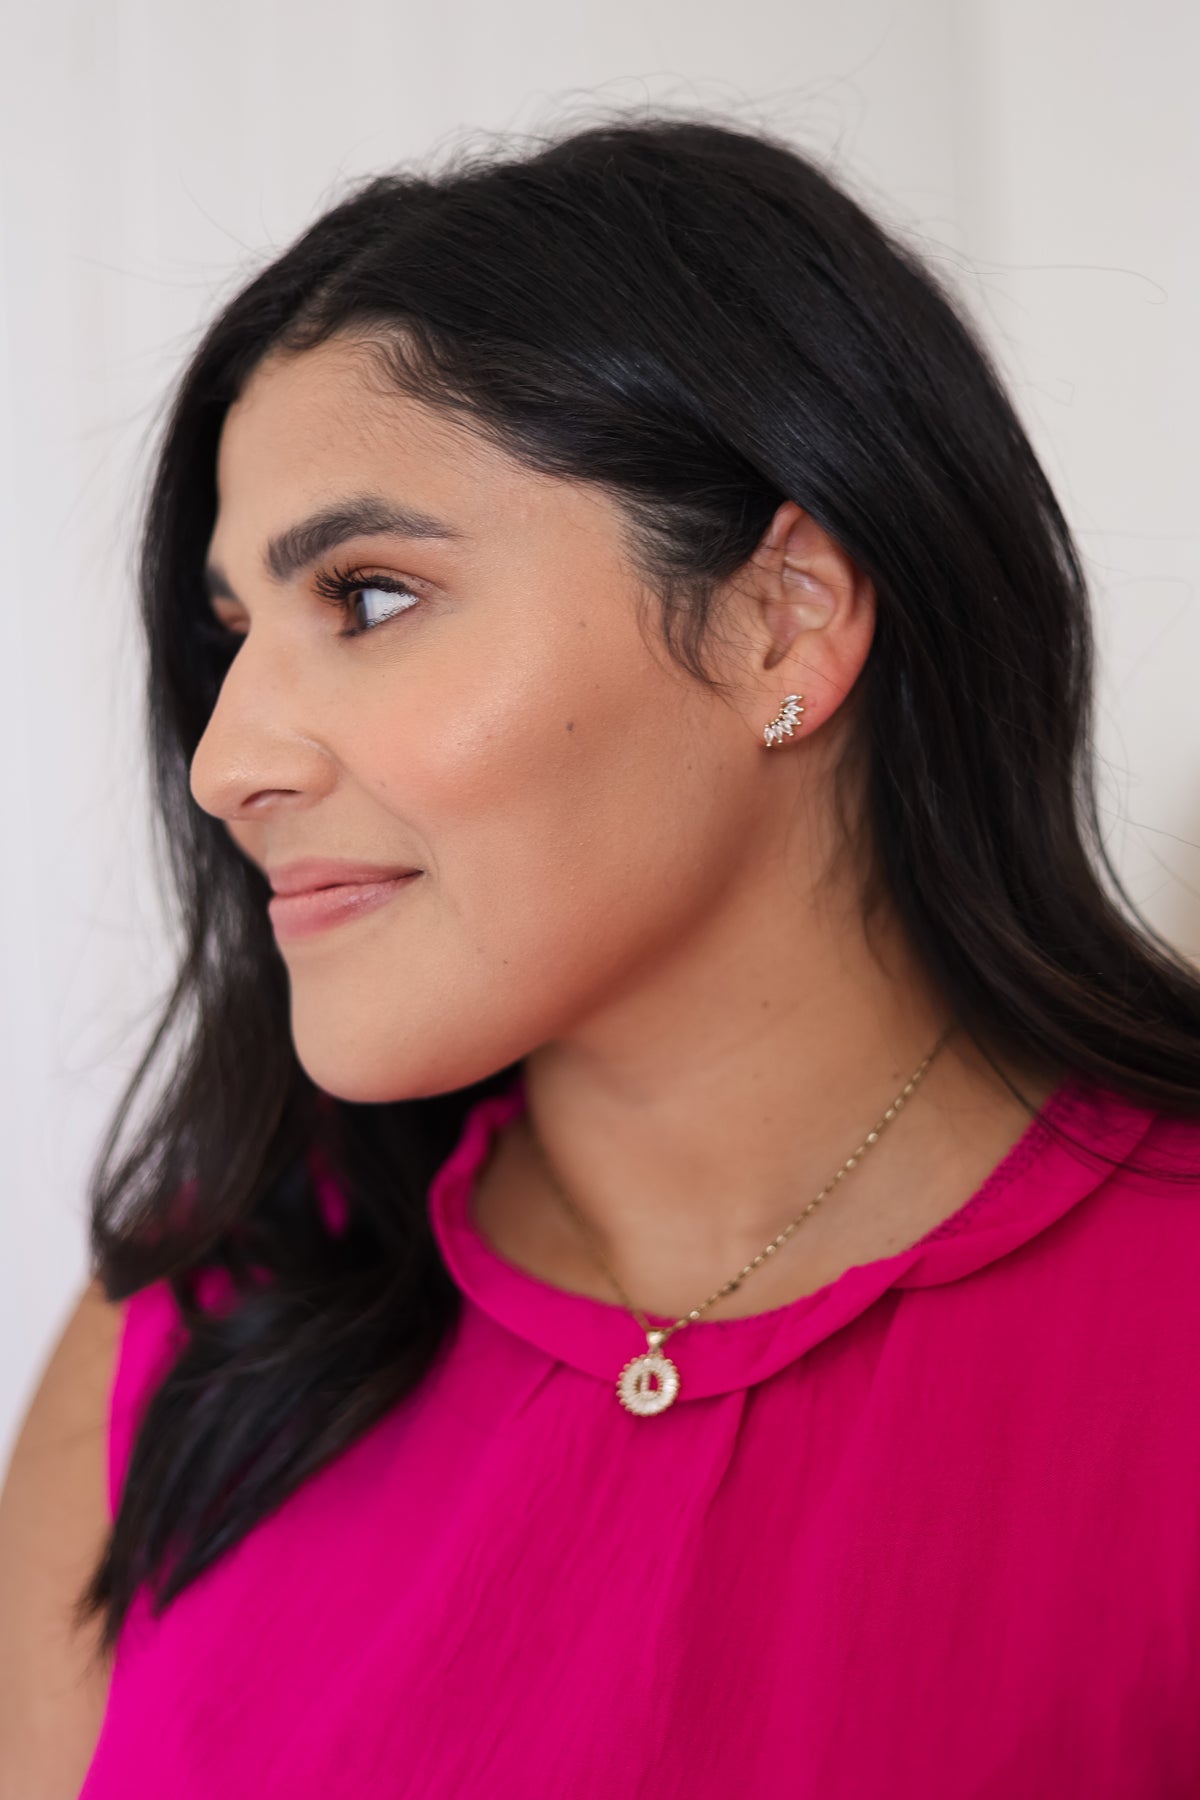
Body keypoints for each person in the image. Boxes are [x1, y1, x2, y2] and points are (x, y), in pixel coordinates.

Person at [2, 110, 1199, 1799]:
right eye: (235, 635)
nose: (225, 764)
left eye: (369, 595)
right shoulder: (196, 1338)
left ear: (782, 619)